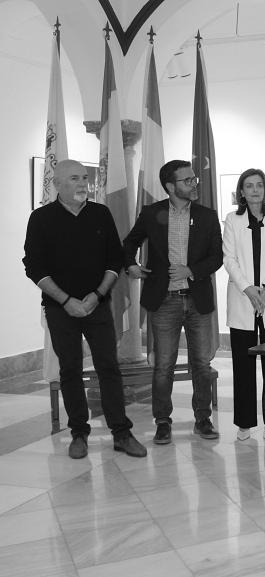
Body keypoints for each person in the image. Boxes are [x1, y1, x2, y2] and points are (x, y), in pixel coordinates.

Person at [23, 159, 147, 459]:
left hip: (98, 306)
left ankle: (121, 432)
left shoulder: (100, 214)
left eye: (84, 178)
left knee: (109, 367)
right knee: (70, 370)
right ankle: (79, 433)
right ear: (57, 184)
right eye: (75, 179)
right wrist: (67, 301)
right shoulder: (40, 218)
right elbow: (34, 267)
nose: (83, 184)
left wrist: (96, 295)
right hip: (60, 309)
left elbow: (114, 259)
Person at [123, 159, 223, 444]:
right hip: (164, 300)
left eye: (194, 179)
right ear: (170, 186)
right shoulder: (151, 213)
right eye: (187, 180)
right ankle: (163, 422)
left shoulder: (207, 216)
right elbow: (129, 243)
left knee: (201, 364)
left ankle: (202, 419)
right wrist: (131, 265)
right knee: (164, 365)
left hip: (197, 300)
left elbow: (217, 257)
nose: (194, 184)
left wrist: (191, 271)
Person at [222, 169, 265, 442]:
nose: (254, 190)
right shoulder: (232, 219)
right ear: (241, 191)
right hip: (243, 298)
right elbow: (229, 258)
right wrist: (248, 289)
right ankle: (244, 423)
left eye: (259, 185)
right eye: (249, 186)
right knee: (243, 364)